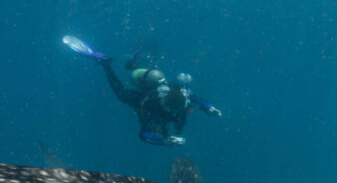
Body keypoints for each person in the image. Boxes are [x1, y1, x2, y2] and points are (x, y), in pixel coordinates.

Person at [63, 35, 221, 146]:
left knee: (138, 77)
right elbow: (145, 135)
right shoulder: (154, 110)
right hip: (145, 93)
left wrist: (209, 107)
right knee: (121, 94)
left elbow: (194, 98)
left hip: (154, 81)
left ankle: (129, 58)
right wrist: (164, 141)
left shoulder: (181, 94)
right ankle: (106, 63)